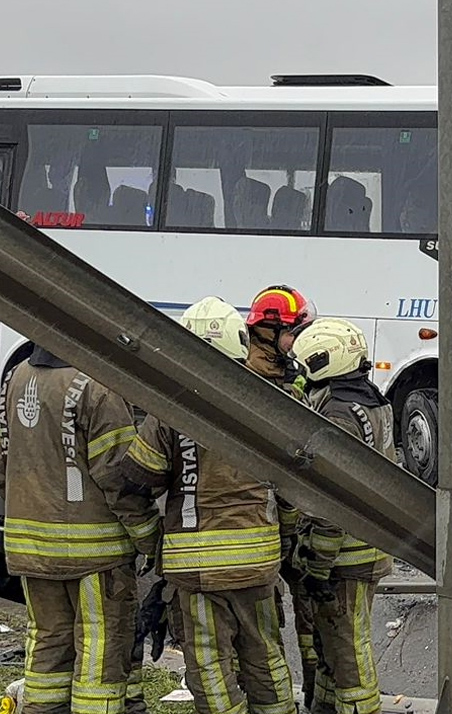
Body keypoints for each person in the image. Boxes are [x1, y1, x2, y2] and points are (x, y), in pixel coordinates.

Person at [122, 296, 295, 714]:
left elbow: (139, 478)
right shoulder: (270, 402)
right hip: (259, 563)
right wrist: (283, 540)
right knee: (265, 654)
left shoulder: (172, 409)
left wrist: (153, 545)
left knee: (209, 663)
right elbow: (295, 493)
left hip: (197, 567)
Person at [0, 345, 154, 714]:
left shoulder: (16, 377)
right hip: (96, 554)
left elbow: (0, 462)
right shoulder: (98, 387)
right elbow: (120, 479)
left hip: (30, 549)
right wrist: (149, 538)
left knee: (47, 646)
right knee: (101, 650)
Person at [288, 318, 395, 714]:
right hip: (368, 546)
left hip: (344, 554)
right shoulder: (372, 399)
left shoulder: (336, 414)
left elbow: (333, 503)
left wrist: (317, 564)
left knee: (349, 647)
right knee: (336, 642)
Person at [244, 284, 320, 704]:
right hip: (265, 530)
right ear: (270, 333)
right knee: (265, 631)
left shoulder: (292, 383)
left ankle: (310, 696)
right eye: (294, 331)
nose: (298, 341)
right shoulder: (250, 387)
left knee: (310, 623)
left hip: (293, 527)